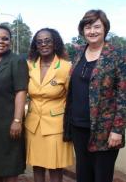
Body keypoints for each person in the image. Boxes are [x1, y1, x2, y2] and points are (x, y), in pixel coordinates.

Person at [63, 9, 126, 182]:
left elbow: (123, 95)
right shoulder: (78, 54)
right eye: (88, 27)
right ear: (82, 30)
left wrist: (117, 130)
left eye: (97, 26)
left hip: (104, 130)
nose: (92, 31)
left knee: (102, 176)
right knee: (83, 174)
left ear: (105, 28)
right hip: (78, 127)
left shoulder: (117, 55)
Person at [25, 28, 74, 182]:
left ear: (55, 43)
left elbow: (71, 97)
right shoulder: (29, 65)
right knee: (37, 165)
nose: (43, 44)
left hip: (55, 125)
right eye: (39, 42)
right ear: (35, 45)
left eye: (47, 41)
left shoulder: (65, 67)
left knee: (55, 167)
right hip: (33, 125)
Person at [0, 25, 28, 182]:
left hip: (8, 122)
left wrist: (17, 120)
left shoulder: (17, 61)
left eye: (5, 38)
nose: (0, 41)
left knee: (9, 168)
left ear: (10, 41)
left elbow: (21, 91)